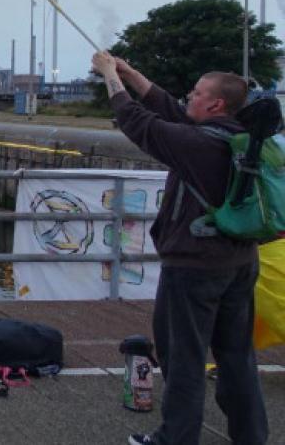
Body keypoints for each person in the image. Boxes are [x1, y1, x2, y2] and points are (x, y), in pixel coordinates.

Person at [91, 51, 267, 445]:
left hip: (194, 267)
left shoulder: (197, 145)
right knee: (237, 356)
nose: (189, 96)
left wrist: (109, 77)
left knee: (184, 356)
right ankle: (251, 436)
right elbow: (169, 109)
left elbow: (138, 122)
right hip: (240, 261)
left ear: (215, 104)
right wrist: (130, 73)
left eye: (197, 92)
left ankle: (176, 438)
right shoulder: (239, 138)